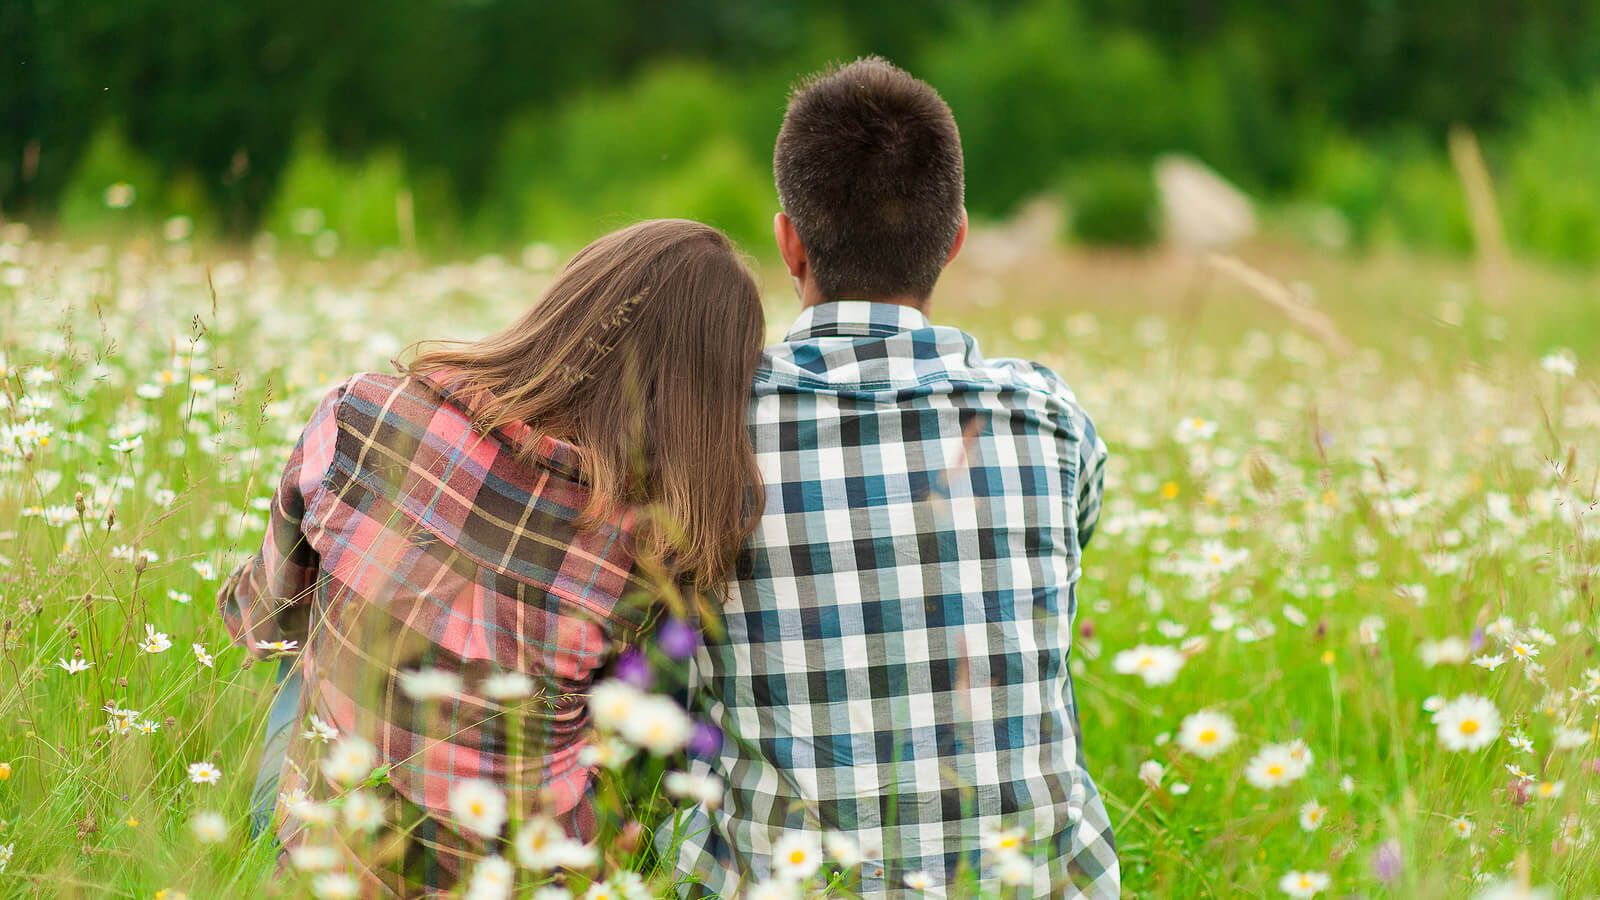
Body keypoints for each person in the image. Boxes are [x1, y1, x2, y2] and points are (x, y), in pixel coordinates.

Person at [660, 59, 1119, 898]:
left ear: (789, 239)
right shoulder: (1048, 418)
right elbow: (1077, 537)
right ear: (954, 240)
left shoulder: (707, 430)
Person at [219, 219, 766, 896]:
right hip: (523, 877)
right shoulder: (651, 543)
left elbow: (262, 622)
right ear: (706, 400)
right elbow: (638, 743)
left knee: (301, 659)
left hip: (330, 857)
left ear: (566, 305)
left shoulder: (360, 410)